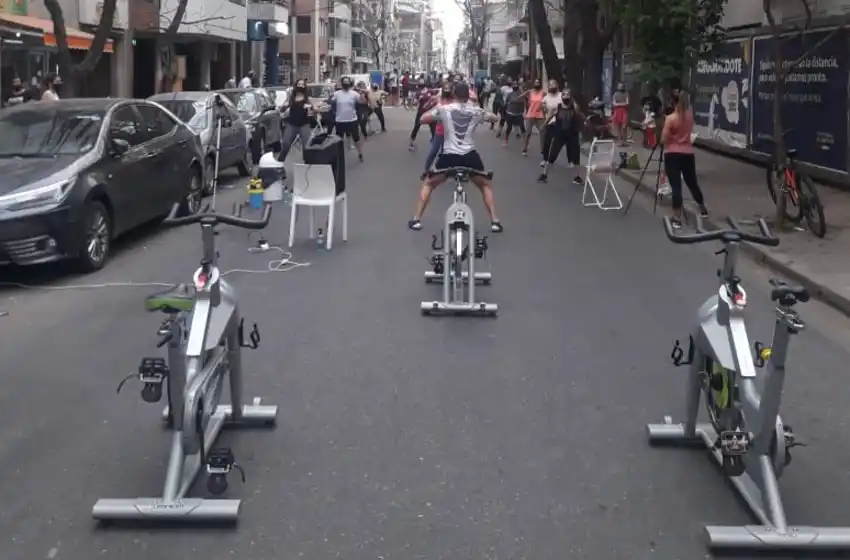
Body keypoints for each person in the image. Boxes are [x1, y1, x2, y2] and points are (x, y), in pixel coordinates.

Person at [408, 83, 503, 233]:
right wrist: (478, 107)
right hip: (470, 156)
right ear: (468, 95)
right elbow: (495, 118)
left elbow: (422, 119)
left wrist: (438, 109)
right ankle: (495, 221)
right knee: (485, 185)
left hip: (449, 156)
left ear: (454, 94)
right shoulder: (476, 111)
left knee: (429, 184)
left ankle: (416, 220)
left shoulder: (444, 109)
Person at [661, 89, 708, 228]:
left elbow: (663, 139)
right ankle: (702, 208)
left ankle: (677, 218)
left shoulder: (671, 118)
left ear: (672, 102)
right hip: (688, 153)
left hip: (673, 154)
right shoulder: (689, 116)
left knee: (676, 186)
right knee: (692, 182)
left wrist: (670, 137)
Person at [538, 88, 584, 185]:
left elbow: (579, 114)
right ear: (561, 96)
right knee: (552, 156)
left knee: (576, 157)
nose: (566, 97)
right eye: (564, 95)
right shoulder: (557, 108)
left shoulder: (574, 108)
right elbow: (549, 117)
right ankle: (544, 175)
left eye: (568, 95)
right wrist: (544, 126)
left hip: (572, 135)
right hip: (560, 135)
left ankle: (577, 177)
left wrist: (573, 101)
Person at [420, 83, 454, 179]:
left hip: (450, 133)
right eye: (445, 90)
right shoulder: (440, 102)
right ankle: (426, 171)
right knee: (433, 152)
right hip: (440, 132)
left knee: (446, 152)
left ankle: (445, 170)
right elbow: (430, 108)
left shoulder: (455, 103)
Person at [278, 79, 315, 161]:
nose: (301, 86)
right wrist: (284, 107)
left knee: (306, 145)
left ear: (305, 86)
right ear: (296, 85)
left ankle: (307, 162)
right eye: (299, 84)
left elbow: (314, 109)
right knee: (286, 143)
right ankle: (280, 161)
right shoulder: (291, 98)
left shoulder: (307, 99)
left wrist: (311, 107)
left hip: (304, 124)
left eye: (303, 84)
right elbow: (282, 109)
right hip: (292, 124)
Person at [331, 76, 366, 162]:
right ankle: (338, 156)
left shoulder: (354, 94)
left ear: (349, 83)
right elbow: (331, 101)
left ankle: (360, 153)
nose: (346, 83)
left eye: (347, 82)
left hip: (352, 120)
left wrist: (362, 93)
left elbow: (362, 102)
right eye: (344, 82)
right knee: (339, 140)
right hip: (340, 120)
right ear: (342, 84)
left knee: (356, 139)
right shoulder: (337, 94)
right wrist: (330, 97)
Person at [408, 80, 437, 151]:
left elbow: (436, 99)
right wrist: (418, 99)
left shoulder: (429, 91)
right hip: (424, 112)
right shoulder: (420, 93)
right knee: (417, 127)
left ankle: (435, 142)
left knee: (432, 128)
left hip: (428, 112)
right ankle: (411, 143)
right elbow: (415, 102)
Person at [539, 79, 563, 166]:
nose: (552, 86)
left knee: (557, 143)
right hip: (550, 123)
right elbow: (541, 108)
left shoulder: (561, 95)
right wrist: (543, 108)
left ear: (557, 85)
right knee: (547, 142)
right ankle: (545, 159)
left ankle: (551, 159)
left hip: (561, 122)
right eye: (550, 85)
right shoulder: (546, 98)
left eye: (553, 84)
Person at [521, 78, 546, 157]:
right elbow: (521, 97)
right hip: (530, 114)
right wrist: (526, 104)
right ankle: (524, 149)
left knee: (542, 132)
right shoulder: (530, 92)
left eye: (538, 82)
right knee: (528, 132)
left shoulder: (543, 93)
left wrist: (543, 108)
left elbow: (547, 101)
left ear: (540, 84)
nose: (537, 83)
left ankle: (543, 151)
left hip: (540, 115)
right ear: (533, 84)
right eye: (536, 82)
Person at [502, 81, 526, 148]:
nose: (515, 86)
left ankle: (526, 142)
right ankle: (505, 141)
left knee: (522, 128)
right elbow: (505, 103)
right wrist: (504, 112)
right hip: (510, 113)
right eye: (513, 85)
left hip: (519, 114)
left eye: (516, 85)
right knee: (509, 128)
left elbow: (525, 103)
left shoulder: (522, 94)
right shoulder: (510, 94)